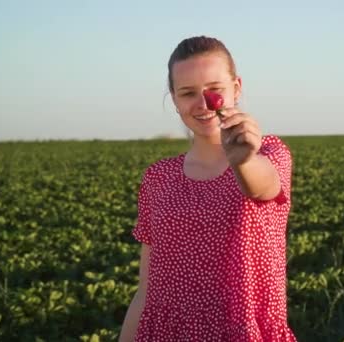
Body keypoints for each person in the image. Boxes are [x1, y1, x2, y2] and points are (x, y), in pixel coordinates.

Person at [119, 36, 296, 341]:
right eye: (187, 93)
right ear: (174, 99)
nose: (204, 104)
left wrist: (242, 161)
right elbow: (146, 291)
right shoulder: (158, 178)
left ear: (236, 88)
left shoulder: (269, 154)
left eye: (215, 90)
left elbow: (262, 188)